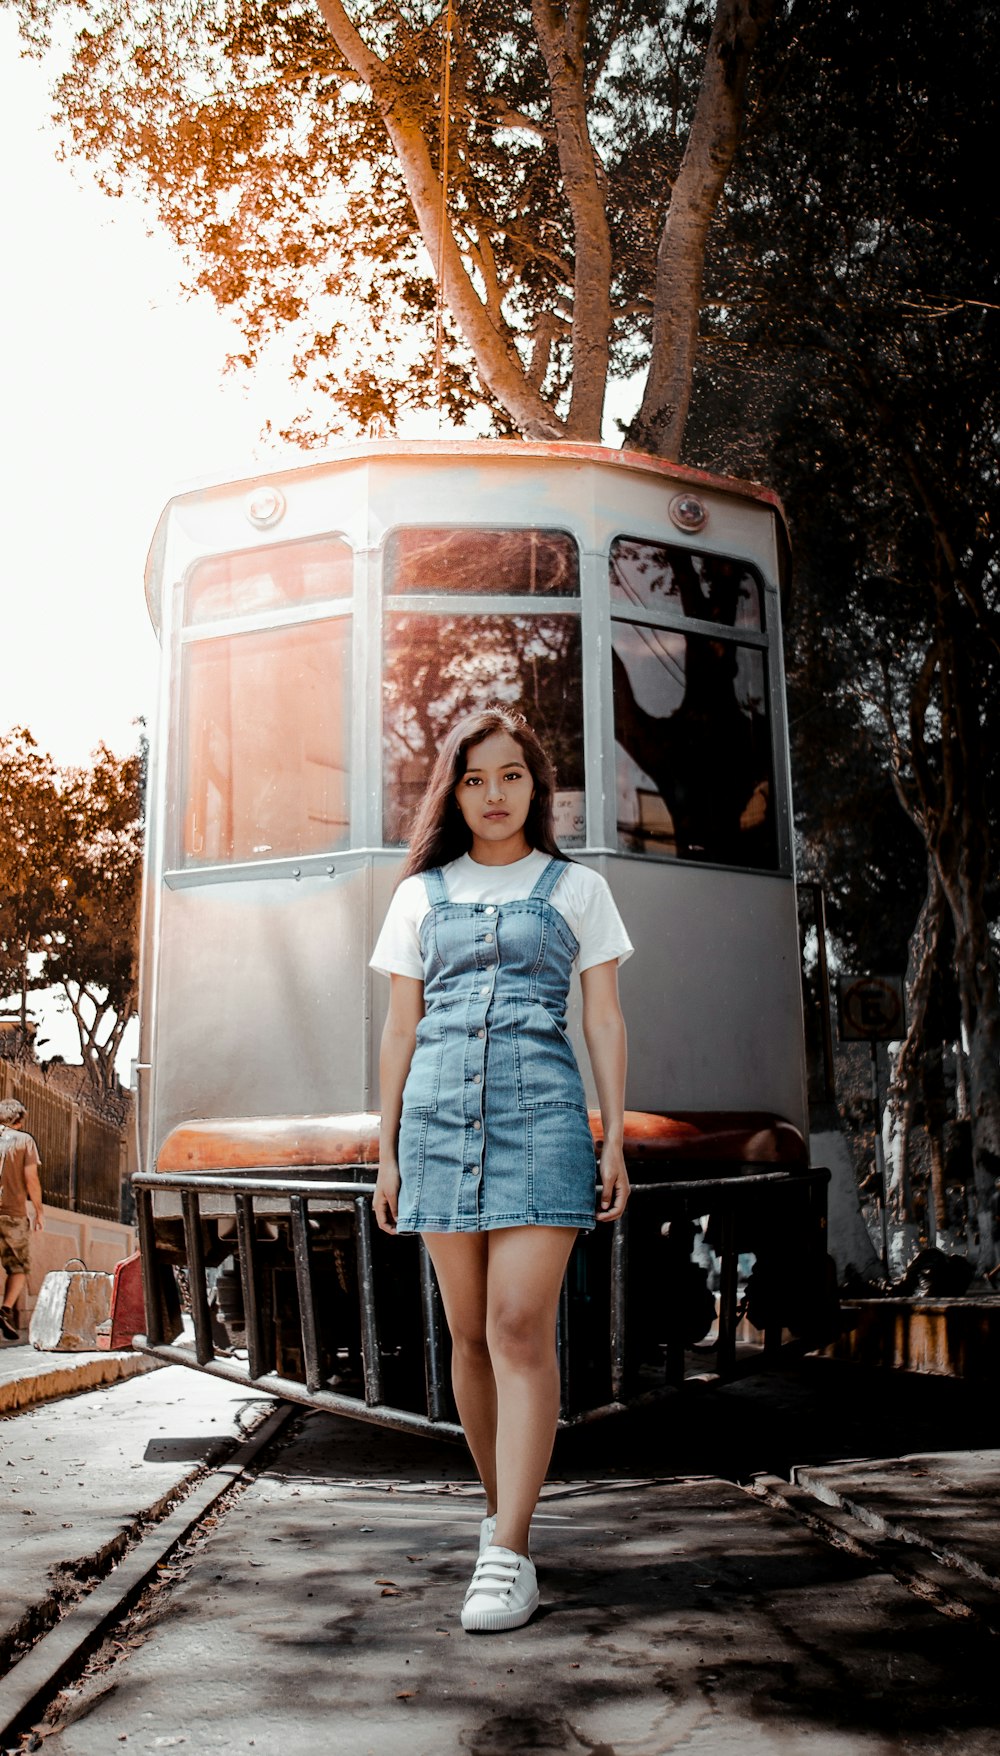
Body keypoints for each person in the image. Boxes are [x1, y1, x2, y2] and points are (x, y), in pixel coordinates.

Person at [370, 706, 632, 1633]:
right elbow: (401, 1029)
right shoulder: (418, 896)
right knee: (468, 1337)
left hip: (542, 1121)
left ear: (538, 784)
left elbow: (602, 1018)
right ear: (455, 789)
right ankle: (500, 1518)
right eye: (475, 778)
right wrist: (388, 1149)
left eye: (511, 775)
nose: (493, 794)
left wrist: (614, 1138)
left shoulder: (577, 889)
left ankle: (510, 1553)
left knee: (520, 1327)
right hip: (437, 1123)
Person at [0, 1099, 45, 1342]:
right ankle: (5, 1309)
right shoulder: (24, 1140)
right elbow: (31, 1179)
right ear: (19, 1120)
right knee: (18, 1267)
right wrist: (39, 1211)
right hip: (13, 1214)